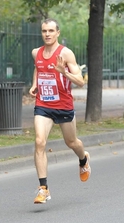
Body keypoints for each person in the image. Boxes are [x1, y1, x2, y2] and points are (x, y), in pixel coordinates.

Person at [29, 18, 91, 204]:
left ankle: (83, 159)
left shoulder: (66, 54)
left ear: (58, 33)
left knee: (72, 142)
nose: (47, 34)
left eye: (50, 31)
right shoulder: (36, 52)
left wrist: (63, 72)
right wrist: (34, 84)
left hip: (63, 105)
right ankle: (43, 188)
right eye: (44, 31)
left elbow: (81, 81)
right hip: (44, 105)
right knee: (39, 142)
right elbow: (38, 68)